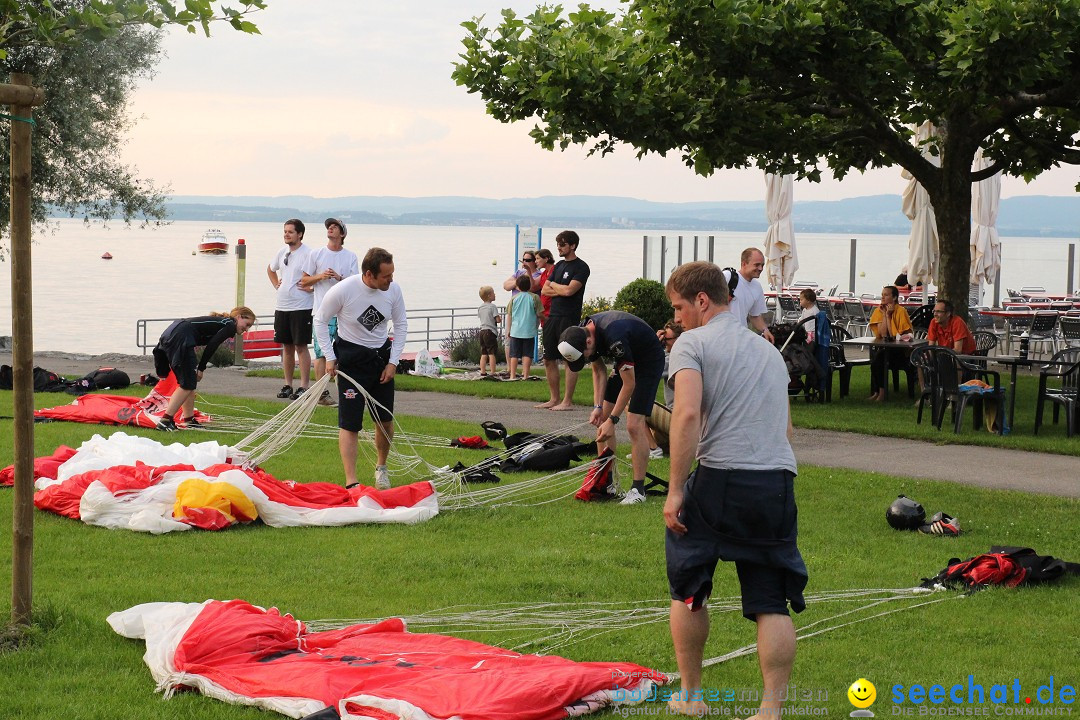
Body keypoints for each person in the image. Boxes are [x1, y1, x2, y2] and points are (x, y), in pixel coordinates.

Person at [662, 261, 805, 718]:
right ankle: (770, 710)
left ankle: (690, 695)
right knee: (770, 598)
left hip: (722, 478)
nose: (677, 318)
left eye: (680, 307)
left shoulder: (692, 343)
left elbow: (685, 416)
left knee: (690, 587)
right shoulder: (768, 351)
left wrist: (675, 490)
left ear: (702, 300)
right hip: (777, 481)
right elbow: (784, 428)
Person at [314, 247, 407, 490]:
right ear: (369, 274)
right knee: (350, 423)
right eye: (386, 276)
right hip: (351, 362)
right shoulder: (344, 290)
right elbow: (320, 321)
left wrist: (393, 362)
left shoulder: (393, 291)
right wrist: (330, 356)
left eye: (392, 274)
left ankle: (381, 468)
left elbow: (401, 324)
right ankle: (351, 481)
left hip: (381, 361)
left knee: (384, 420)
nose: (391, 280)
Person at [558, 310, 666, 505]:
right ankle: (607, 482)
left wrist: (613, 420)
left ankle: (638, 490)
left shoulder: (614, 336)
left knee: (634, 424)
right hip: (627, 361)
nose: (587, 358)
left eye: (585, 356)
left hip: (648, 361)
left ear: (589, 343)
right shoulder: (583, 333)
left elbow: (630, 384)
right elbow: (599, 370)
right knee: (601, 420)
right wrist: (598, 407)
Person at [153, 307, 257, 431]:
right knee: (187, 384)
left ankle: (189, 420)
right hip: (181, 336)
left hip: (172, 332)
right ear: (239, 317)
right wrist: (201, 368)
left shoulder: (221, 322)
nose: (246, 329)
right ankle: (165, 421)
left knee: (188, 382)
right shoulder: (229, 325)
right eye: (247, 324)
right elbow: (213, 345)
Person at [301, 218, 359, 406]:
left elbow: (355, 285)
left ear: (342, 234)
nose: (330, 229)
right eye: (329, 226)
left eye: (335, 227)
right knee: (321, 354)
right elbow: (304, 281)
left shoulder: (350, 257)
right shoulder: (316, 254)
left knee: (343, 354)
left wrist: (338, 277)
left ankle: (344, 392)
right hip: (322, 313)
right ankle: (321, 394)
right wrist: (321, 276)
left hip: (344, 314)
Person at [538, 230, 590, 410]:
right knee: (548, 359)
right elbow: (544, 290)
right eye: (557, 244)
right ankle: (554, 399)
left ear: (572, 245)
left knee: (569, 358)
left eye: (562, 244)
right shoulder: (558, 266)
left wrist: (556, 287)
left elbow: (570, 291)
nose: (558, 248)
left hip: (569, 318)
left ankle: (567, 401)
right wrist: (559, 288)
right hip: (552, 316)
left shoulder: (581, 267)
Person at [267, 219, 315, 401]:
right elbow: (270, 269)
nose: (287, 234)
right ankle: (288, 384)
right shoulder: (282, 251)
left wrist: (313, 288)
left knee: (300, 346)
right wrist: (275, 284)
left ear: (300, 234)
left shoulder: (309, 254)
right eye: (285, 231)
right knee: (286, 347)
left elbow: (317, 276)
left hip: (301, 306)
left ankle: (304, 386)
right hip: (282, 305)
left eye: (290, 232)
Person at [867, 285, 914, 402]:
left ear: (894, 298)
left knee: (879, 359)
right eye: (882, 294)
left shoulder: (901, 311)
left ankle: (882, 393)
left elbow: (895, 336)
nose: (883, 297)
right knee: (876, 361)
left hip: (901, 351)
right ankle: (877, 391)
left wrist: (889, 316)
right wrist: (885, 314)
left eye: (886, 295)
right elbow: (883, 334)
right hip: (887, 348)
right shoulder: (879, 310)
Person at [727, 247, 774, 343]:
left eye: (762, 265)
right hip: (722, 337)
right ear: (744, 264)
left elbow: (755, 315)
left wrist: (765, 330)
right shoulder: (727, 277)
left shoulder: (757, 287)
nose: (760, 268)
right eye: (757, 265)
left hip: (740, 338)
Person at [506, 274, 543, 380]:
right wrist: (540, 322)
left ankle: (512, 375)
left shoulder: (514, 298)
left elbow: (509, 315)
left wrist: (509, 329)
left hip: (516, 330)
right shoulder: (535, 297)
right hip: (529, 330)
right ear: (530, 285)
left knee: (514, 354)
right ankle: (525, 375)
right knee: (527, 354)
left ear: (517, 286)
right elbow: (539, 313)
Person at [477, 285, 500, 376]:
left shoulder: (480, 307)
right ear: (489, 295)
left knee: (484, 353)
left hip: (482, 331)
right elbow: (497, 319)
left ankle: (483, 371)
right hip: (490, 332)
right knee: (491, 353)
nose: (495, 294)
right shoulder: (492, 306)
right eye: (493, 293)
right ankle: (493, 372)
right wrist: (499, 319)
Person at [534, 248, 556, 323]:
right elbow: (532, 286)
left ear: (546, 258)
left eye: (537, 258)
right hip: (544, 313)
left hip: (553, 312)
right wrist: (528, 270)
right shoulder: (543, 273)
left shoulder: (556, 271)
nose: (535, 261)